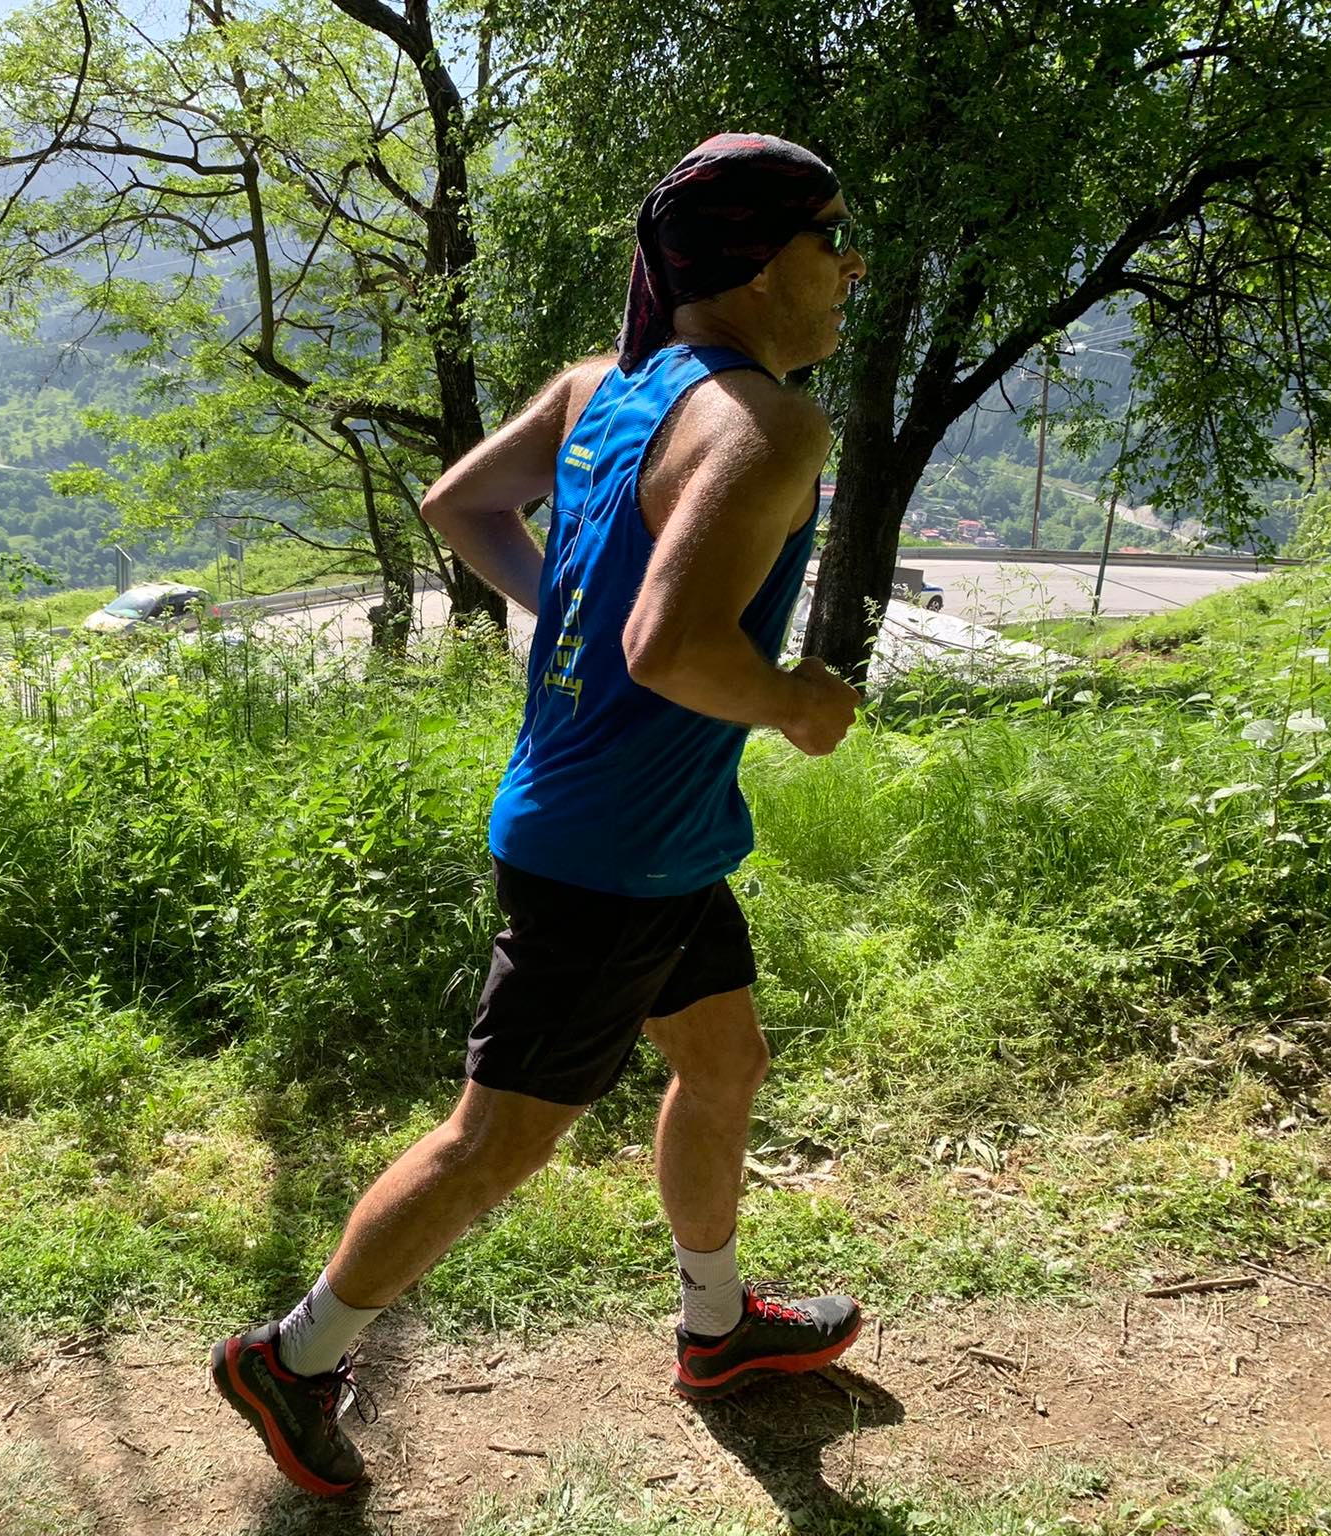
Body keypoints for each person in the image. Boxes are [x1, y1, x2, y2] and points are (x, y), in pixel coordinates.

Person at [210, 132, 869, 1497]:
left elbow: (461, 506)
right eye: (831, 235)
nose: (851, 265)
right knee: (494, 1141)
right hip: (612, 860)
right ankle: (295, 1356)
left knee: (725, 1061)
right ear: (758, 260)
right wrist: (796, 705)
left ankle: (717, 1331)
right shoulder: (765, 425)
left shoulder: (603, 387)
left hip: (651, 838)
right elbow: (671, 647)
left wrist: (566, 609)